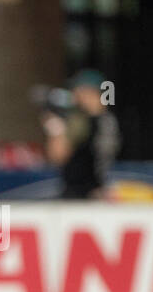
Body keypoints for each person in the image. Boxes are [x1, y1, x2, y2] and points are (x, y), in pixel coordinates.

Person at [43, 70, 120, 200]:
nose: (75, 96)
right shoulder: (81, 119)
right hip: (80, 195)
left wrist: (56, 128)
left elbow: (58, 154)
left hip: (94, 195)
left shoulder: (97, 121)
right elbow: (56, 157)